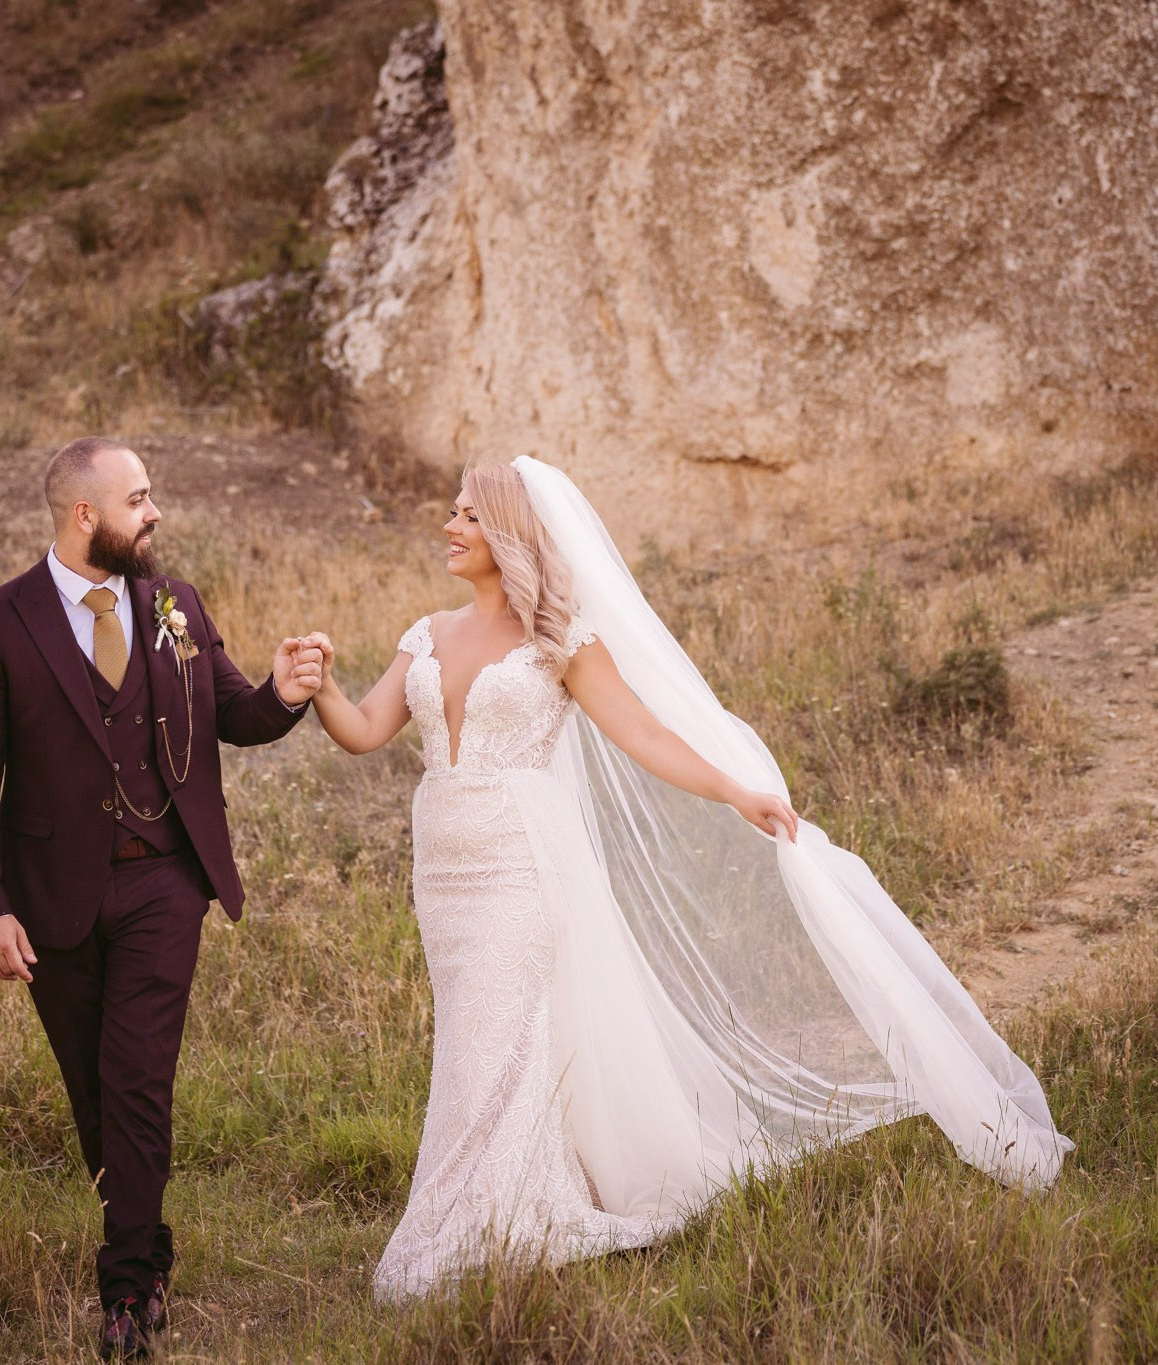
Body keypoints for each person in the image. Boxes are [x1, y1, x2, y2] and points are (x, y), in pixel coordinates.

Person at [302, 458, 1073, 1303]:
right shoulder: (428, 632)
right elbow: (368, 730)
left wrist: (739, 790)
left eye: (469, 515)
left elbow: (642, 733)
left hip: (523, 861)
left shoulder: (558, 638)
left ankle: (476, 1223)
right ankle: (513, 1193)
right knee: (472, 1040)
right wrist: (322, 685)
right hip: (443, 870)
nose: (449, 525)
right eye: (452, 511)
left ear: (512, 535)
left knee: (494, 1036)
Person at [0, 436, 322, 1357]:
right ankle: (148, 1246)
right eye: (139, 499)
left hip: (164, 879)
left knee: (137, 1077)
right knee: (92, 1092)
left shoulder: (174, 605)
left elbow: (231, 713)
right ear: (87, 516)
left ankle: (126, 1294)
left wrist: (280, 691)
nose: (154, 514)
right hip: (50, 897)